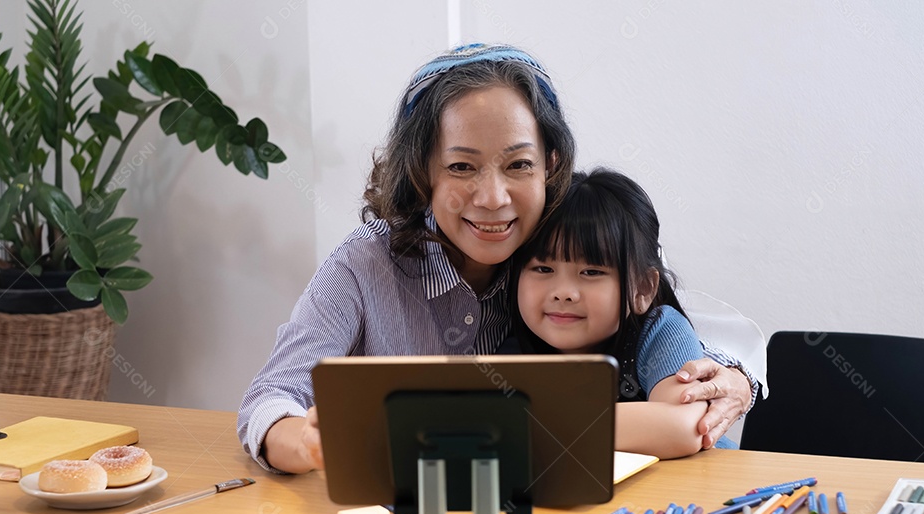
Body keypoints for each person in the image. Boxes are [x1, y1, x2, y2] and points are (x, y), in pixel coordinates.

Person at [238, 44, 759, 474]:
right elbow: (272, 396)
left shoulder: (551, 244)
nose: (493, 198)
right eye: (462, 166)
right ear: (423, 171)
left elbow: (660, 324)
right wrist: (304, 444)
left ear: (549, 165)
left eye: (519, 164)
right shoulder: (362, 264)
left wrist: (737, 377)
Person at [511, 168, 731, 459]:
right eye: (543, 269)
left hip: (698, 495)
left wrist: (537, 425)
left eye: (591, 272)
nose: (563, 292)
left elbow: (684, 427)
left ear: (642, 289)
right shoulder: (510, 341)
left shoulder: (660, 331)